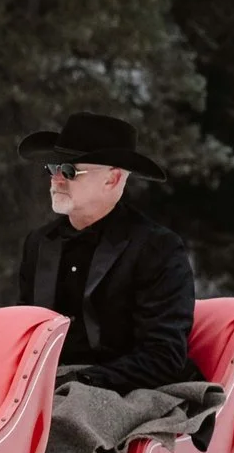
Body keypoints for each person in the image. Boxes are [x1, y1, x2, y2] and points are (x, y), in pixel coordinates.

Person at [12, 113, 200, 391]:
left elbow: (164, 356)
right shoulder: (39, 243)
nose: (56, 179)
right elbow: (25, 334)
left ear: (112, 179)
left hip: (132, 391)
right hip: (48, 387)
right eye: (53, 167)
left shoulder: (157, 248)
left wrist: (82, 382)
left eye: (70, 170)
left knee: (60, 421)